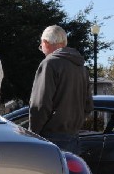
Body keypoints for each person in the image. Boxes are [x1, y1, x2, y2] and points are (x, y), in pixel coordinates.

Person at [29, 25, 93, 155]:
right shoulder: (81, 67)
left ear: (46, 43)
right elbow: (88, 106)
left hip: (51, 137)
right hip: (74, 137)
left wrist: (32, 134)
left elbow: (40, 105)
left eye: (41, 46)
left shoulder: (50, 63)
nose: (42, 50)